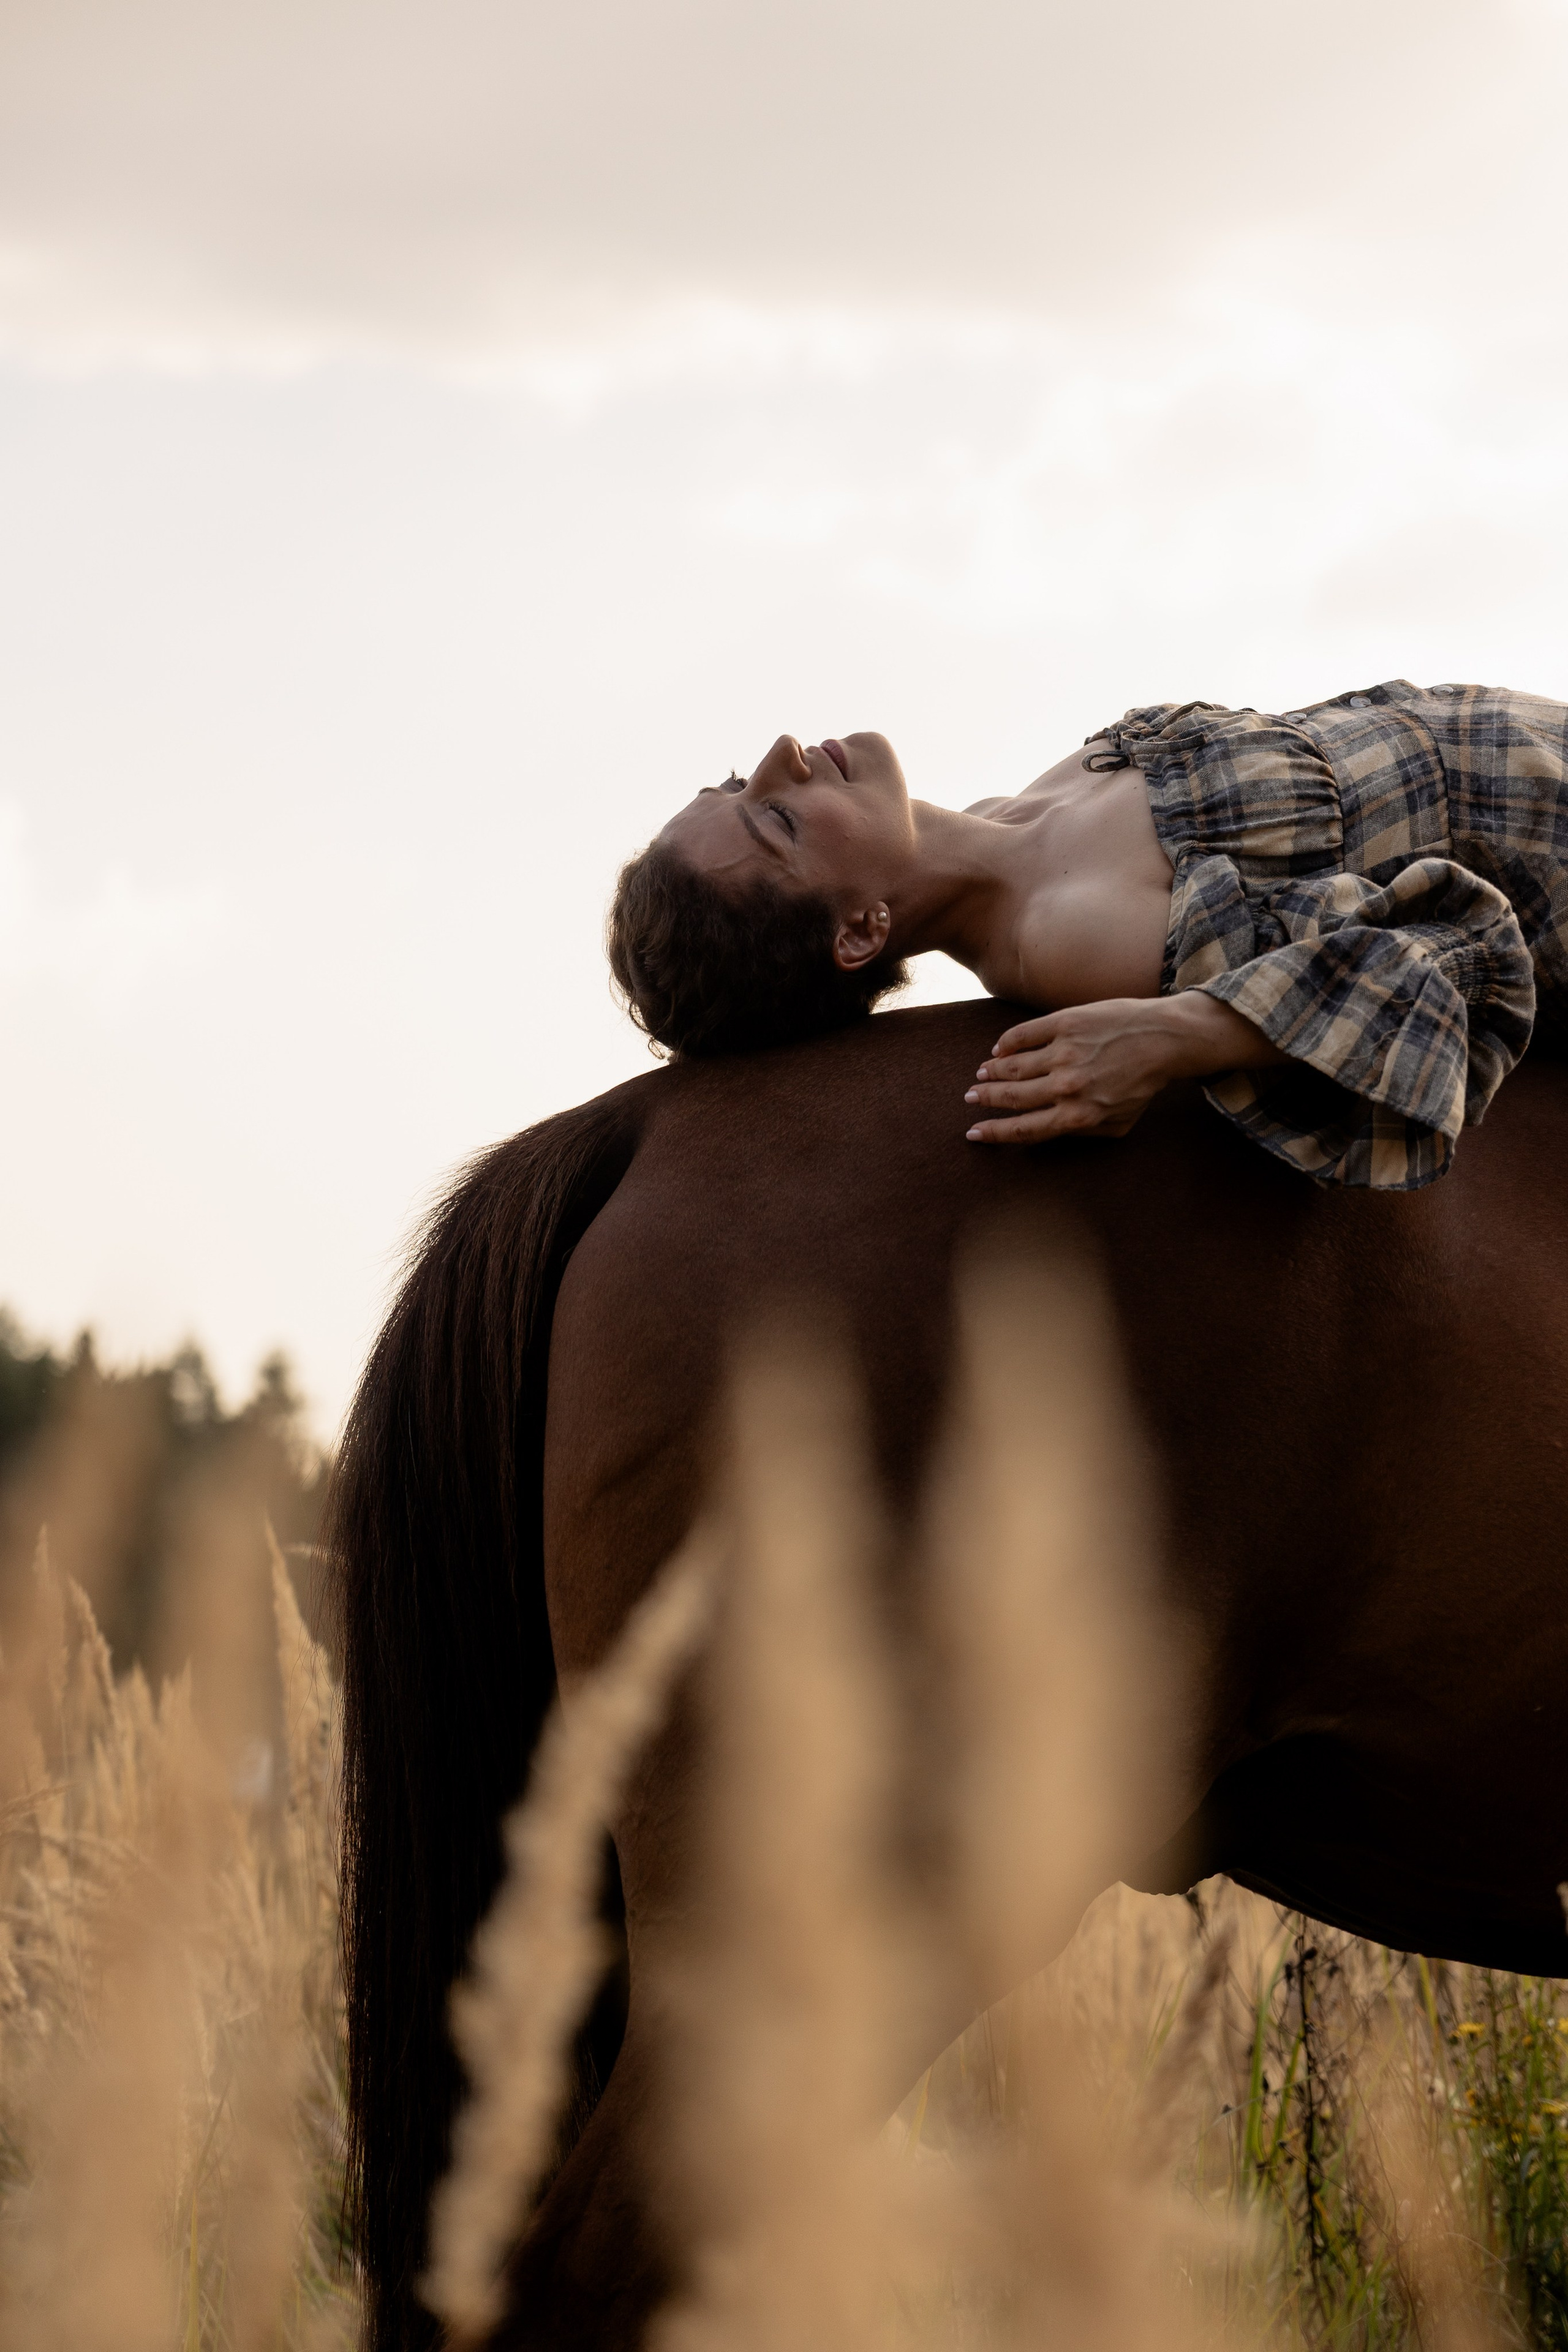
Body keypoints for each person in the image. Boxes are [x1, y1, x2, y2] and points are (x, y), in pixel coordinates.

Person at [607, 681, 1568, 1188]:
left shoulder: (1013, 810)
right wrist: (1190, 1031)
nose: (780, 758)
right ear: (859, 935)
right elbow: (1456, 954)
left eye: (740, 787)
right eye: (775, 824)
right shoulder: (1077, 941)